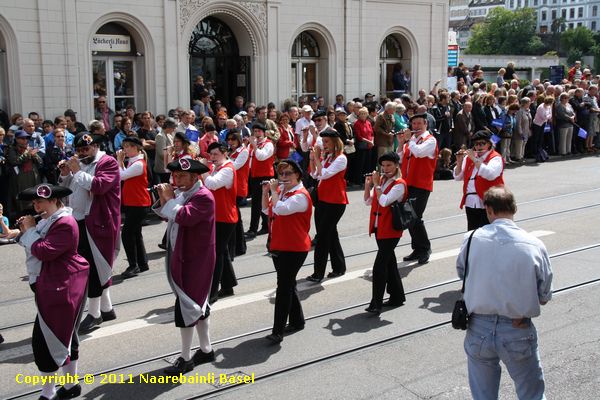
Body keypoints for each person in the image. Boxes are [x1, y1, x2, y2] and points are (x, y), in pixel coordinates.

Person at [457, 186, 553, 400]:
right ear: (514, 209)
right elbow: (544, 295)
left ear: (488, 210)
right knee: (531, 394)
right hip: (517, 327)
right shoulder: (534, 244)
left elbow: (462, 273)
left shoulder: (472, 238)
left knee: (483, 395)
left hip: (478, 327)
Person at [16, 184, 89, 400]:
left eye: (39, 201)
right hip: (53, 284)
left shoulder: (65, 222)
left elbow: (44, 251)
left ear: (54, 200)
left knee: (45, 340)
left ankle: (48, 393)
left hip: (61, 286)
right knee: (65, 335)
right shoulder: (48, 220)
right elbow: (25, 239)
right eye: (34, 202)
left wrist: (29, 231)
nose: (35, 206)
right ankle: (70, 385)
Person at [153, 158, 216, 375]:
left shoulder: (203, 196)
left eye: (181, 176)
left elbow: (184, 217)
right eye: (174, 176)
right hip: (183, 256)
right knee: (198, 303)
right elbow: (167, 215)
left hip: (194, 260)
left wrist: (170, 199)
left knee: (186, 306)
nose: (175, 179)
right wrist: (164, 198)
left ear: (194, 177)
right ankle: (206, 349)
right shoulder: (184, 194)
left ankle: (185, 357)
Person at [58, 133, 120, 333]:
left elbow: (99, 186)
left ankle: (94, 313)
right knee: (96, 265)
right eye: (79, 150)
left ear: (95, 146)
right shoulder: (81, 165)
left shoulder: (107, 162)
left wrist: (76, 171)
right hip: (80, 220)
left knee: (93, 267)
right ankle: (107, 308)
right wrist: (67, 173)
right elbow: (68, 189)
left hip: (99, 221)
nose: (82, 153)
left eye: (86, 149)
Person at [262, 159, 312, 343]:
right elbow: (266, 210)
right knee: (288, 284)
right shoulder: (281, 192)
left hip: (294, 247)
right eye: (281, 174)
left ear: (297, 174)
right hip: (279, 244)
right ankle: (298, 321)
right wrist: (265, 192)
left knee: (283, 288)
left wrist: (274, 192)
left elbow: (281, 210)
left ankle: (278, 331)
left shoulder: (300, 195)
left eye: (288, 173)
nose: (283, 177)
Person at [363, 152, 407, 315]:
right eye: (383, 166)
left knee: (380, 266)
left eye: (389, 165)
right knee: (389, 262)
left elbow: (384, 201)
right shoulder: (381, 181)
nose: (385, 168)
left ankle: (376, 302)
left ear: (396, 166)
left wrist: (377, 185)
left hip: (391, 229)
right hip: (378, 227)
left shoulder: (399, 184)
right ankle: (397, 296)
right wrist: (368, 185)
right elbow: (368, 201)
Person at [306, 128, 348, 282]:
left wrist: (317, 158)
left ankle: (318, 273)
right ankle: (339, 267)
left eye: (326, 142)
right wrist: (312, 159)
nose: (323, 145)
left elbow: (324, 174)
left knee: (323, 237)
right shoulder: (328, 157)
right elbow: (315, 174)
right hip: (323, 200)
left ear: (335, 142)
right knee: (331, 234)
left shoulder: (341, 158)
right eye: (322, 141)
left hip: (336, 202)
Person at [398, 113, 438, 265]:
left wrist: (410, 140)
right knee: (409, 217)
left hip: (421, 184)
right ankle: (417, 248)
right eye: (413, 124)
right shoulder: (412, 141)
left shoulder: (430, 140)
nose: (416, 127)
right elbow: (400, 158)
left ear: (425, 124)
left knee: (415, 217)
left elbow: (419, 152)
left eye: (419, 124)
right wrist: (402, 143)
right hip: (408, 183)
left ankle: (425, 248)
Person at [203, 142, 238, 302]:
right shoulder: (216, 168)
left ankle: (212, 293)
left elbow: (212, 184)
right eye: (211, 155)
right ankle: (228, 285)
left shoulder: (228, 169)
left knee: (216, 254)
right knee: (221, 252)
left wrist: (202, 170)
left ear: (224, 153)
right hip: (217, 216)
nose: (212, 158)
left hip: (225, 217)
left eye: (215, 154)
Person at [454, 130, 504, 230]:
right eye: (476, 144)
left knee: (488, 233)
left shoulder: (495, 158)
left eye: (482, 143)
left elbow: (489, 174)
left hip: (488, 201)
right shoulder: (469, 158)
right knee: (472, 232)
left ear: (489, 144)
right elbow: (458, 177)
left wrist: (474, 159)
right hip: (470, 202)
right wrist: (459, 161)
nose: (479, 147)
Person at [117, 137, 152, 279]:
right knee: (136, 233)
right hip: (134, 203)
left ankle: (133, 265)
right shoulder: (134, 162)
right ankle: (142, 263)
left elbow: (122, 176)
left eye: (128, 147)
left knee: (127, 234)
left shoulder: (138, 163)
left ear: (136, 148)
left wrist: (119, 161)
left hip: (139, 203)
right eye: (124, 146)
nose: (125, 149)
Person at [245, 123, 275, 239]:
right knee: (260, 202)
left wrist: (255, 145)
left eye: (259, 131)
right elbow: (249, 157)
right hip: (254, 174)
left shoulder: (268, 144)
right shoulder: (254, 144)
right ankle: (265, 225)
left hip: (265, 175)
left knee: (258, 203)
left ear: (264, 132)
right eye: (255, 131)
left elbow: (261, 156)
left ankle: (253, 229)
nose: (256, 134)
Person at [7, 130, 43, 219]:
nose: (25, 140)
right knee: (23, 200)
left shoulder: (29, 148)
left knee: (35, 196)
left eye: (26, 138)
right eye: (22, 138)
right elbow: (14, 161)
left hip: (33, 177)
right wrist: (27, 154)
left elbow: (40, 162)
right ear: (17, 139)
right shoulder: (13, 149)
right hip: (21, 178)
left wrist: (34, 155)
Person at [226, 130, 249, 256]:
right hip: (231, 186)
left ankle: (239, 247)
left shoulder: (243, 151)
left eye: (233, 139)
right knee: (235, 218)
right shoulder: (231, 151)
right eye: (229, 139)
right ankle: (238, 247)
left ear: (238, 140)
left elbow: (234, 166)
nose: (230, 142)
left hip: (238, 187)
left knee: (236, 218)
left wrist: (223, 159)